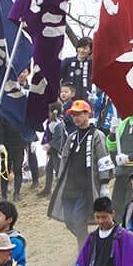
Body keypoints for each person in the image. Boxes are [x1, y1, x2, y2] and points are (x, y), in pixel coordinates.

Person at [47, 99, 113, 246]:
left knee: (78, 219)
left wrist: (104, 184)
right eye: (73, 115)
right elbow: (63, 161)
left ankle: (84, 251)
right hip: (69, 187)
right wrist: (59, 180)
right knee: (69, 221)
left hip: (86, 187)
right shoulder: (71, 138)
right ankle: (89, 245)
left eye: (79, 114)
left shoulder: (97, 135)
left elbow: (103, 158)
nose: (76, 118)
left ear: (87, 114)